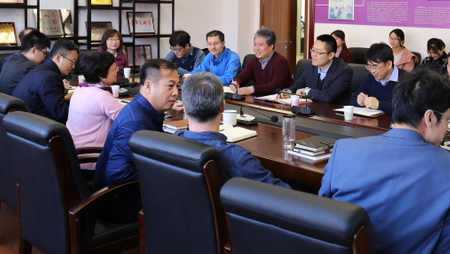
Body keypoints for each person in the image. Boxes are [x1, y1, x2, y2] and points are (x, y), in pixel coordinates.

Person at [320, 69, 450, 253]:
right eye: (448, 118)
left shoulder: (343, 150)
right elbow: (446, 248)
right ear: (430, 117)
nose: (447, 127)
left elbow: (323, 222)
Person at [94, 59, 183, 222]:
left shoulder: (142, 109)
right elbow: (117, 175)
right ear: (148, 86)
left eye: (177, 86)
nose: (176, 92)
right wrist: (161, 171)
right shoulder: (135, 122)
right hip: (119, 203)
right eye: (170, 86)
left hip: (125, 195)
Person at [178, 72, 290, 187]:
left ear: (185, 110)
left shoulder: (172, 141)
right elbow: (282, 194)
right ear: (223, 107)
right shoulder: (238, 158)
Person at [66, 51, 125, 154]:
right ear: (102, 76)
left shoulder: (80, 90)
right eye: (114, 67)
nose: (118, 69)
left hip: (74, 151)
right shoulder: (102, 96)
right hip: (92, 155)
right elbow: (128, 118)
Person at [12, 38, 79, 123]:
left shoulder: (42, 69)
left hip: (23, 122)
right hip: (37, 125)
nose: (73, 67)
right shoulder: (50, 77)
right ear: (58, 57)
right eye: (72, 62)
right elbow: (61, 114)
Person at [286, 34, 353, 104]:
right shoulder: (310, 66)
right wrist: (287, 92)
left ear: (331, 55)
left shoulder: (344, 71)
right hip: (312, 108)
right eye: (313, 50)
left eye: (318, 52)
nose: (313, 55)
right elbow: (299, 84)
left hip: (334, 109)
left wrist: (307, 91)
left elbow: (328, 96)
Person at [230, 28, 293, 96]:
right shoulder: (254, 61)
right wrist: (236, 83)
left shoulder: (281, 61)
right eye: (255, 44)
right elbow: (243, 76)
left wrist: (252, 89)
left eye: (260, 45)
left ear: (271, 46)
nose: (256, 49)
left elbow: (275, 86)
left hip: (280, 99)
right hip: (260, 98)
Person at [350, 43, 405, 115]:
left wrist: (379, 105)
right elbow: (352, 99)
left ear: (389, 64)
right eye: (369, 66)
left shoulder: (406, 79)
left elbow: (407, 109)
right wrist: (359, 101)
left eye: (375, 66)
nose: (372, 71)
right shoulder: (371, 77)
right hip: (373, 120)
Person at [0, 30, 51, 95]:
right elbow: (44, 91)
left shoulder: (12, 58)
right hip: (16, 101)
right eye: (44, 53)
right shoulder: (28, 68)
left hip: (3, 100)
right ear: (34, 50)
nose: (44, 57)